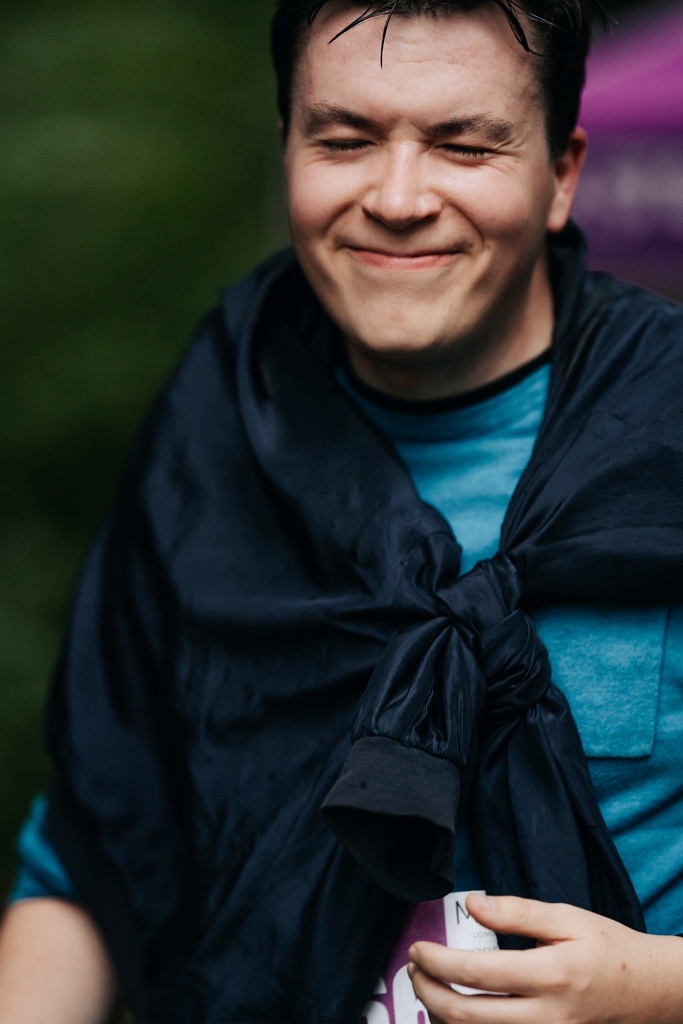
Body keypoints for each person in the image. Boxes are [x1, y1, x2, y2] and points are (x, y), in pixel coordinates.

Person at [2, 0, 683, 1021]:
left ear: (561, 174)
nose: (397, 199)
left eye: (463, 145)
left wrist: (651, 988)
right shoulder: (217, 438)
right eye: (345, 140)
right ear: (287, 149)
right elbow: (91, 858)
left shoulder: (667, 431)